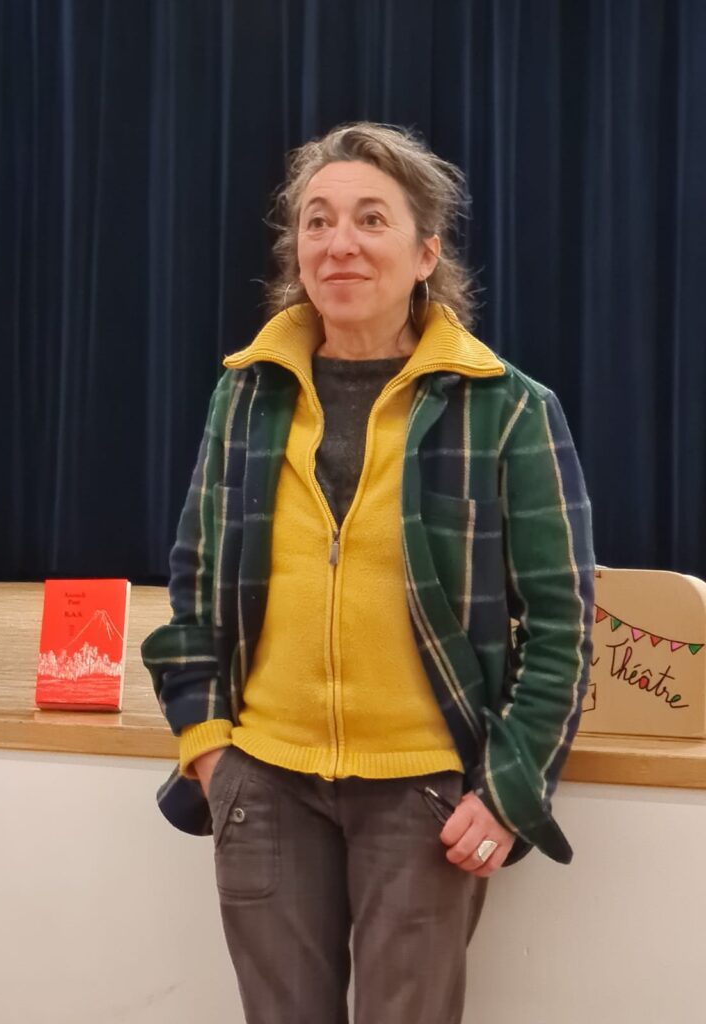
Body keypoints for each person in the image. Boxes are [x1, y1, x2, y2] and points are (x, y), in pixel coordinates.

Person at [142, 122, 594, 1024]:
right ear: (297, 250)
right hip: (262, 784)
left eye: (370, 219)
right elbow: (194, 583)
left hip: (424, 795)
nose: (338, 242)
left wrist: (509, 791)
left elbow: (562, 627)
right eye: (317, 220)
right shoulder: (245, 391)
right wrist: (210, 751)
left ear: (426, 253)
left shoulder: (509, 408)